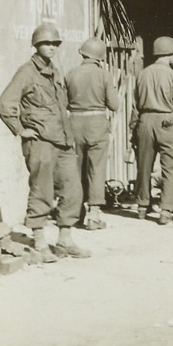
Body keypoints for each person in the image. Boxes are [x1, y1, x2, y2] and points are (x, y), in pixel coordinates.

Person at [0, 23, 90, 263]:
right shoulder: (26, 72)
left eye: (55, 44)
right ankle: (39, 241)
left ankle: (65, 240)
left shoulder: (54, 71)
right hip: (41, 143)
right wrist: (20, 130)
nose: (51, 48)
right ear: (36, 45)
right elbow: (5, 103)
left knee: (72, 189)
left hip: (63, 140)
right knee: (42, 190)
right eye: (46, 43)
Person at [131, 37, 173, 224]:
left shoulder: (142, 74)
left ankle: (142, 206)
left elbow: (135, 106)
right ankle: (166, 210)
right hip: (167, 121)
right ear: (170, 55)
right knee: (170, 167)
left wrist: (132, 128)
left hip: (145, 121)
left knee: (144, 166)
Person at [65, 37, 120, 230]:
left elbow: (64, 103)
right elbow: (114, 105)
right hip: (97, 124)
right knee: (96, 169)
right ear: (99, 56)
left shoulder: (70, 74)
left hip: (74, 123)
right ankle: (94, 215)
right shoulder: (104, 75)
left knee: (76, 169)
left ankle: (76, 213)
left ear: (83, 53)